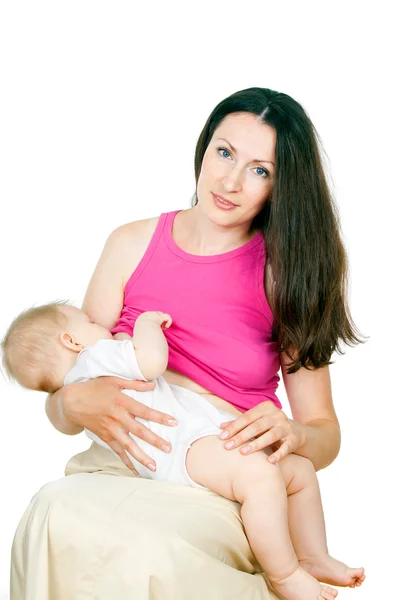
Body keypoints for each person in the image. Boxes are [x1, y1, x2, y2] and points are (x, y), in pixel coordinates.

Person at [8, 87, 365, 600]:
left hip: (220, 467)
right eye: (224, 153)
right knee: (52, 508)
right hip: (127, 458)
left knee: (151, 549)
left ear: (280, 187)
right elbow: (71, 375)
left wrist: (292, 433)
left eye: (260, 170)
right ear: (203, 148)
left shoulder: (288, 277)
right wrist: (67, 403)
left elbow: (325, 435)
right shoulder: (130, 243)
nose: (231, 180)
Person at [2, 302, 366, 600]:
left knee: (299, 471)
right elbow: (151, 363)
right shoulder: (95, 360)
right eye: (86, 321)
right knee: (260, 478)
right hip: (183, 449)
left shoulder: (84, 374)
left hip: (191, 440)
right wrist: (146, 325)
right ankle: (285, 574)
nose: (96, 321)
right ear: (70, 340)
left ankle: (314, 555)